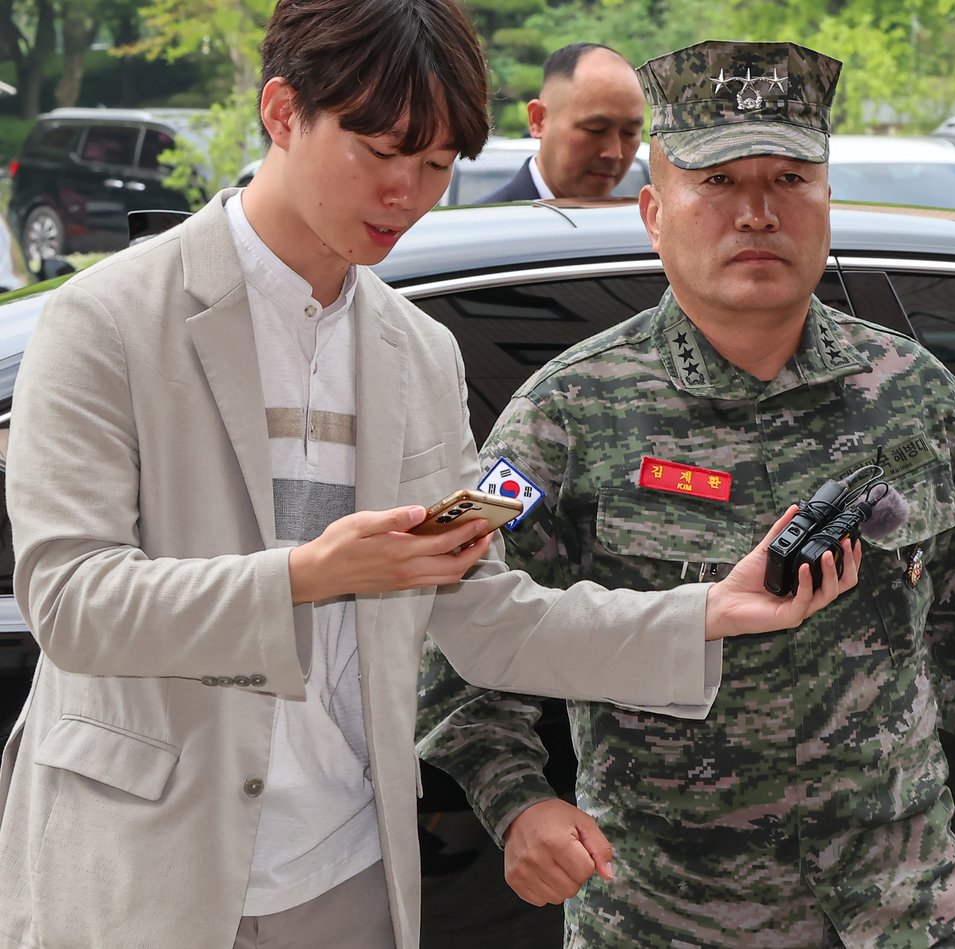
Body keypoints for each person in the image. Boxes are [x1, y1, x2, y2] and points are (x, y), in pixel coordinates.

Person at [0, 8, 859, 947]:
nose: (407, 192)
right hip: (145, 865)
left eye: (441, 164)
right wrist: (309, 574)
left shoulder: (418, 352)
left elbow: (484, 616)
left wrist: (708, 613)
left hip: (348, 867)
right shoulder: (110, 318)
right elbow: (69, 599)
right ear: (282, 112)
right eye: (380, 151)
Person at [418, 39, 955, 948]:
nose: (758, 212)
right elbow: (445, 613)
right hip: (667, 915)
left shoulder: (912, 391)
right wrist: (517, 802)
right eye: (717, 181)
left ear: (827, 204)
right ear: (652, 212)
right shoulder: (562, 412)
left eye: (790, 178)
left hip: (901, 910)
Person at [476, 42, 644, 203]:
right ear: (538, 119)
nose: (614, 153)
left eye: (630, 133)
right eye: (596, 129)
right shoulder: (484, 227)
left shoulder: (641, 227)